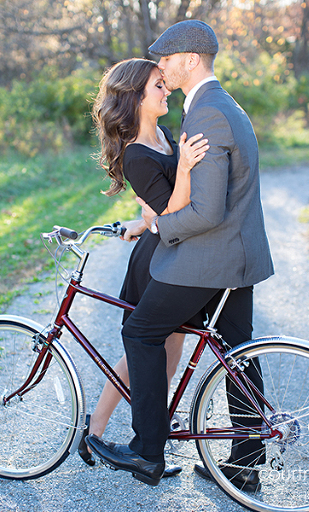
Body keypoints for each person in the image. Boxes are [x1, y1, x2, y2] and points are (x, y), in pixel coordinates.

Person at [86, 19, 274, 488]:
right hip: (237, 256)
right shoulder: (223, 104)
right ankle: (244, 464)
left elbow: (205, 211)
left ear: (189, 60)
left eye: (166, 61)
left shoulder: (205, 113)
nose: (163, 71)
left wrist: (159, 226)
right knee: (239, 352)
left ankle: (146, 451)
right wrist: (147, 219)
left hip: (208, 258)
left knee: (143, 332)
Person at [78, 58, 209, 476]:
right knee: (141, 355)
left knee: (170, 352)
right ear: (135, 96)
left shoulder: (167, 137)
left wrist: (142, 219)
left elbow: (158, 210)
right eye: (158, 84)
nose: (166, 88)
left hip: (171, 248)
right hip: (156, 262)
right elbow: (170, 209)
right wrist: (184, 171)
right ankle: (96, 429)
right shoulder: (136, 154)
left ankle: (150, 431)